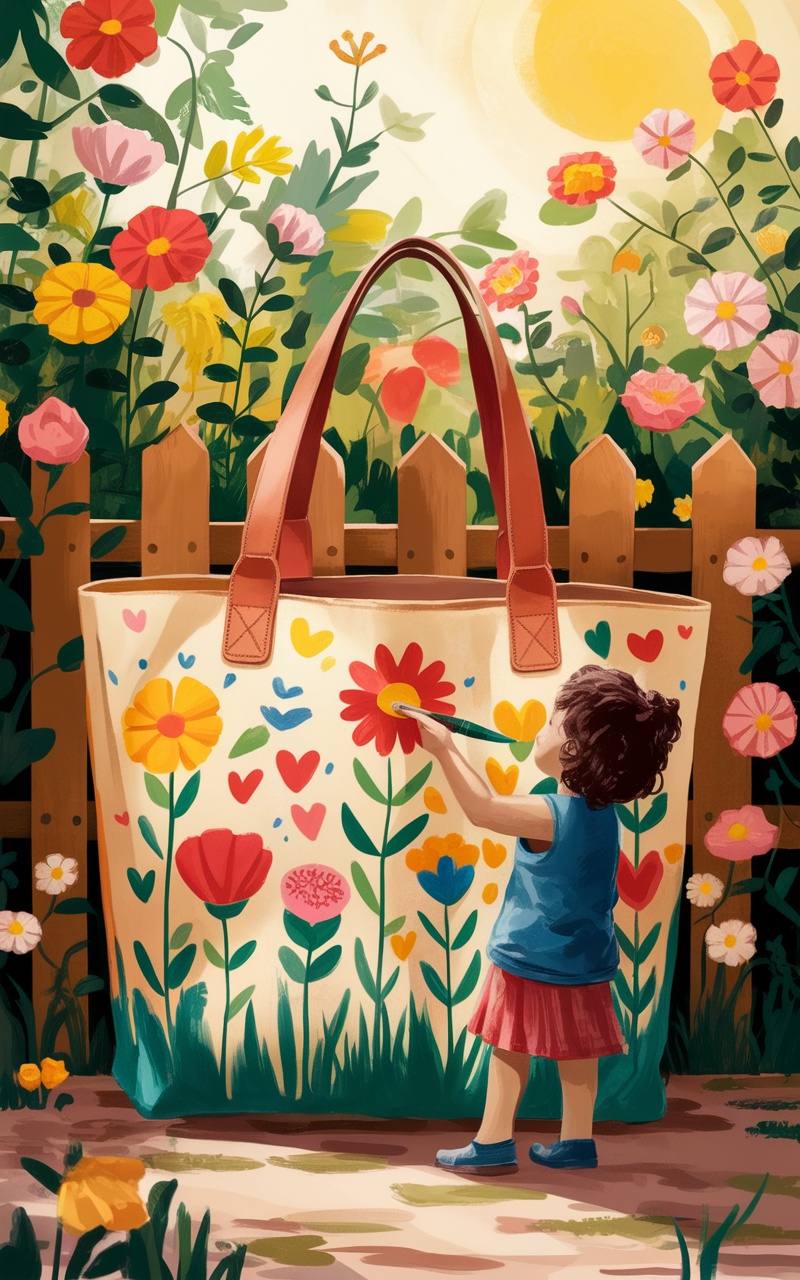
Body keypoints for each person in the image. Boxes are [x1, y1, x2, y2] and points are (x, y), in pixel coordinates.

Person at [398, 664, 681, 1173]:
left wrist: (444, 748)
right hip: (585, 957)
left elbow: (483, 808)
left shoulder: (552, 813)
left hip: (529, 954)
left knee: (508, 1049)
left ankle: (492, 1142)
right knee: (579, 1053)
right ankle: (576, 1141)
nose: (540, 731)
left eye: (553, 724)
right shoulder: (604, 816)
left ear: (574, 750)